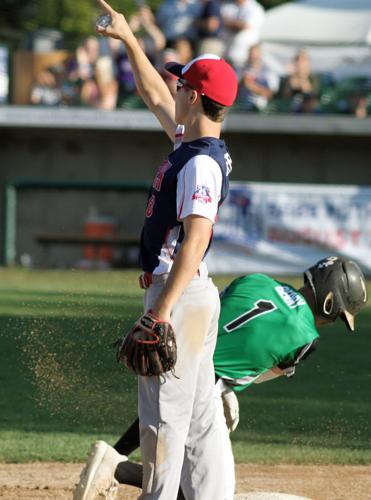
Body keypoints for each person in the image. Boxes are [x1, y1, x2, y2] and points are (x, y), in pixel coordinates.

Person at [74, 1, 239, 500]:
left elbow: (197, 237)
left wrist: (162, 312)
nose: (174, 89)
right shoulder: (195, 144)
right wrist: (127, 38)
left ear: (193, 94)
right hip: (193, 296)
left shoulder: (199, 165)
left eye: (181, 84)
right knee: (199, 415)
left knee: (163, 421)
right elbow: (151, 95)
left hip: (180, 296)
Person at [73, 255, 368, 499]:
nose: (333, 321)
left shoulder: (258, 280)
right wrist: (226, 389)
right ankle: (117, 464)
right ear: (329, 303)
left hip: (174, 353)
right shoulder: (306, 339)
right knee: (211, 494)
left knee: (175, 423)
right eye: (339, 315)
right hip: (206, 388)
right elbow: (254, 372)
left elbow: (213, 316)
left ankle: (116, 459)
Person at [221, 0, 265, 72]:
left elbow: (244, 26)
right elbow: (218, 21)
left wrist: (228, 22)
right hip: (226, 54)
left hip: (244, 58)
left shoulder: (255, 8)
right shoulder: (227, 5)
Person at [237, 44, 279, 112]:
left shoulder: (268, 71)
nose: (252, 57)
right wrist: (242, 82)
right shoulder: (241, 69)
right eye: (251, 55)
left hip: (261, 108)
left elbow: (271, 94)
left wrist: (252, 87)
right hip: (241, 105)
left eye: (255, 55)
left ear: (260, 55)